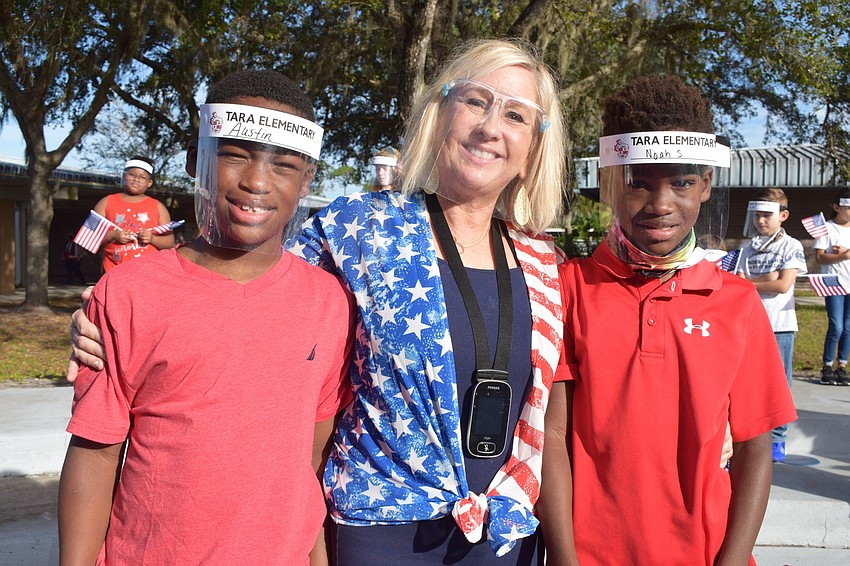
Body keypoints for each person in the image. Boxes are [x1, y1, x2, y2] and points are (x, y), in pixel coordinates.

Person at [69, 38, 568, 565]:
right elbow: (247, 271)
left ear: (536, 144)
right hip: (379, 529)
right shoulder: (357, 227)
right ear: (439, 113)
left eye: (515, 114)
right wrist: (109, 310)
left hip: (506, 537)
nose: (490, 127)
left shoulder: (546, 263)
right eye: (474, 100)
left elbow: (555, 425)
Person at [58, 70, 355, 566]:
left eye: (283, 164)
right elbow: (95, 452)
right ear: (198, 160)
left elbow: (309, 458)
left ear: (306, 181)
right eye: (235, 154)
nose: (256, 181)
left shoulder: (329, 302)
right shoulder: (128, 292)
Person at [538, 75, 797, 565]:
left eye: (681, 182)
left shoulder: (737, 302)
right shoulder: (568, 288)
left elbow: (754, 449)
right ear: (611, 182)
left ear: (706, 184)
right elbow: (552, 436)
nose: (660, 204)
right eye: (639, 182)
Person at [735, 188, 807, 462]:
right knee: (747, 381)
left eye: (767, 215)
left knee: (778, 383)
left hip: (779, 324)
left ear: (783, 216)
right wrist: (768, 276)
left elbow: (782, 285)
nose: (760, 221)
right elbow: (738, 283)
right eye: (757, 215)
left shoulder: (792, 246)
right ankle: (751, 432)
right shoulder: (746, 246)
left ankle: (778, 438)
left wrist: (756, 281)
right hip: (749, 323)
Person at [92, 155, 175, 273]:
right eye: (132, 174)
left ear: (149, 182)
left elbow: (170, 242)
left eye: (142, 177)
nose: (136, 179)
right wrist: (113, 235)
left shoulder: (158, 207)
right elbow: (90, 236)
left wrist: (152, 238)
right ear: (123, 175)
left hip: (148, 272)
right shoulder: (106, 202)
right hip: (112, 269)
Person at [813, 187, 850, 386]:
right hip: (833, 282)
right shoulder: (826, 227)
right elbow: (820, 257)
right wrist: (842, 255)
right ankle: (827, 365)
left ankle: (842, 365)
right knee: (836, 325)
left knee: (848, 326)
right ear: (837, 207)